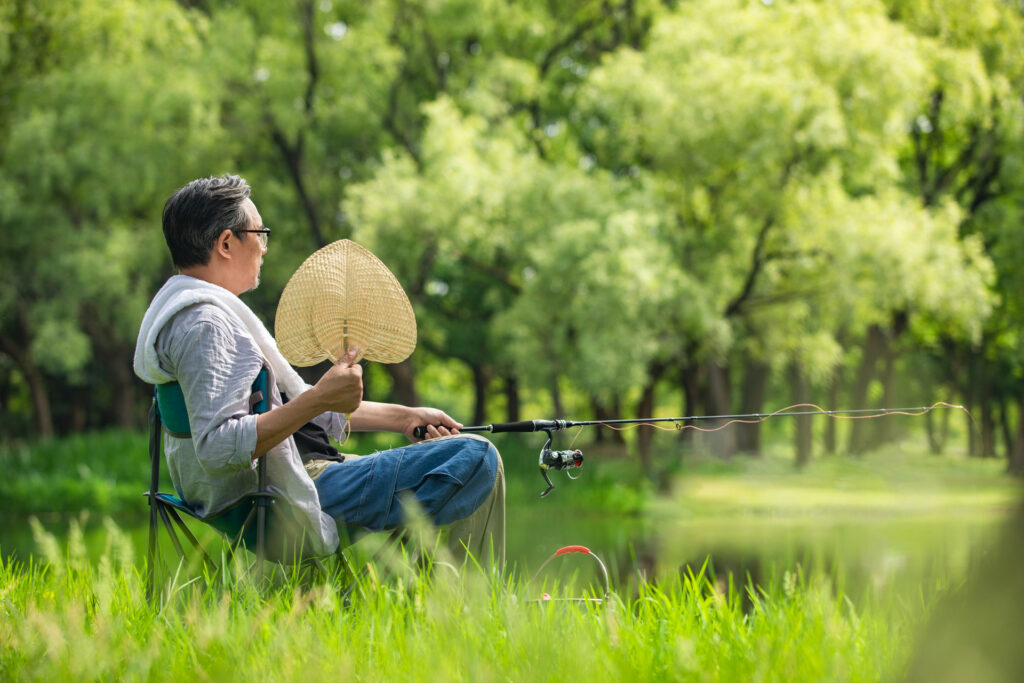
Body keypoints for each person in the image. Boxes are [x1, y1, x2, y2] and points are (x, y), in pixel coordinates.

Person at [133, 174, 504, 569]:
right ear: (226, 243)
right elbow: (220, 447)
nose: (264, 247)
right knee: (476, 457)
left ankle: (436, 597)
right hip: (285, 493)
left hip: (279, 480)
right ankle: (455, 602)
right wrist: (318, 398)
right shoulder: (208, 326)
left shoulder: (192, 316)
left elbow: (299, 411)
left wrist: (403, 416)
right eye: (260, 233)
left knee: (467, 457)